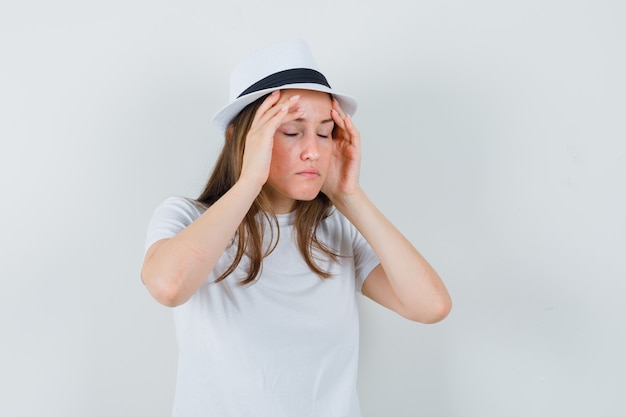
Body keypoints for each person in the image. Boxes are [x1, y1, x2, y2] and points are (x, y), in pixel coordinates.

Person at [141, 39, 451, 417]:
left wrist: (348, 195)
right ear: (240, 138)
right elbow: (168, 286)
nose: (313, 151)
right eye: (291, 132)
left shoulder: (336, 229)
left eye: (324, 133)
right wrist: (249, 180)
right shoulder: (186, 217)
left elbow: (430, 306)